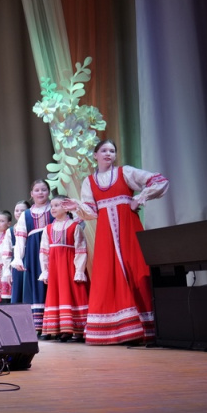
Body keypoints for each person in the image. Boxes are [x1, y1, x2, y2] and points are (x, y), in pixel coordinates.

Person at [75, 139, 168, 345]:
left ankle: (144, 327)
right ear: (95, 155)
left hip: (128, 227)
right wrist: (77, 207)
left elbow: (159, 181)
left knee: (135, 268)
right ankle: (118, 329)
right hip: (106, 233)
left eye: (112, 151)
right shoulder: (89, 181)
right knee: (109, 273)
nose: (108, 154)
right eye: (104, 150)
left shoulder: (124, 172)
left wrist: (139, 198)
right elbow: (91, 211)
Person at [39, 196, 89, 341]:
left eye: (57, 205)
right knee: (58, 295)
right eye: (52, 206)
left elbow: (81, 249)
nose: (53, 208)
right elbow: (44, 251)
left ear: (66, 208)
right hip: (55, 268)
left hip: (69, 266)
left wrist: (79, 271)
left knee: (74, 294)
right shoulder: (48, 229)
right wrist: (45, 271)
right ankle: (62, 329)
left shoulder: (75, 227)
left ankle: (78, 330)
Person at [12, 181, 54, 332]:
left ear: (49, 192)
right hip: (33, 253)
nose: (40, 192)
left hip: (53, 251)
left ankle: (55, 324)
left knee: (54, 284)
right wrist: (18, 258)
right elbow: (20, 238)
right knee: (36, 285)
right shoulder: (26, 215)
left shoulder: (55, 209)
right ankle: (38, 326)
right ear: (31, 194)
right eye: (37, 190)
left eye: (44, 189)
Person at [9, 200, 29, 304]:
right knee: (17, 287)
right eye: (17, 210)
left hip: (29, 257)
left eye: (23, 210)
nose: (19, 213)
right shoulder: (10, 230)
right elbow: (7, 252)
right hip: (16, 259)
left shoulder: (30, 225)